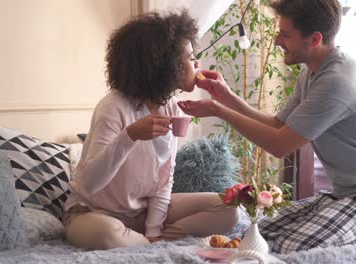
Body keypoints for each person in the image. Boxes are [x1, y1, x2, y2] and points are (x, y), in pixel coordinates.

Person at [178, 0, 356, 254]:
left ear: (314, 39)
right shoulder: (311, 72)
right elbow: (279, 125)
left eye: (285, 34)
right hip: (344, 196)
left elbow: (279, 145)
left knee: (288, 247)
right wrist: (225, 97)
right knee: (255, 235)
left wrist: (217, 110)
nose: (278, 41)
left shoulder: (337, 80)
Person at [62, 11, 239, 250]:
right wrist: (130, 136)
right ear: (166, 65)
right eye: (190, 58)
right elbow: (90, 184)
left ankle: (152, 243)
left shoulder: (172, 107)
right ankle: (144, 243)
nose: (197, 64)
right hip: (92, 213)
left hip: (142, 213)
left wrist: (154, 229)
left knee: (230, 209)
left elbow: (165, 179)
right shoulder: (113, 107)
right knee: (107, 233)